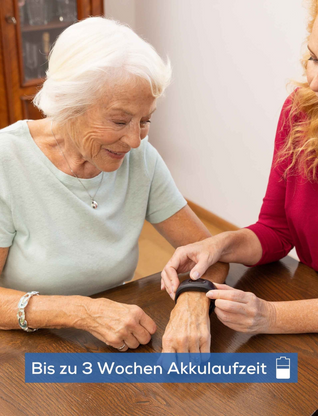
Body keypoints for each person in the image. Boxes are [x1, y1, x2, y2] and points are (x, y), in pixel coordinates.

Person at [161, 0, 318, 339]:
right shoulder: (302, 113)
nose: (315, 81)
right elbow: (277, 229)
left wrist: (270, 316)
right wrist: (221, 245)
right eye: (313, 58)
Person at [0, 17, 228, 351]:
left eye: (145, 120)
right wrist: (82, 312)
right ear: (68, 104)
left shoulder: (139, 158)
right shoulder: (7, 160)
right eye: (120, 121)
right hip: (23, 346)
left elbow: (212, 254)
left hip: (108, 341)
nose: (135, 140)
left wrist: (193, 298)